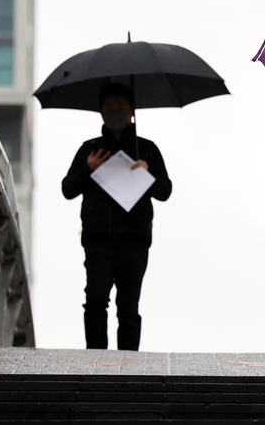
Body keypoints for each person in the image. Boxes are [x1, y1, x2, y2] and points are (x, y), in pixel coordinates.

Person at [62, 82, 172, 350]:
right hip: (98, 238)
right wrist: (89, 169)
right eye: (109, 108)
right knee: (96, 300)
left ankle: (129, 363)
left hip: (134, 238)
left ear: (132, 110)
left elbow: (165, 191)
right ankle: (96, 359)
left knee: (128, 305)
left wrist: (146, 173)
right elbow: (68, 189)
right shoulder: (90, 149)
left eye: (120, 107)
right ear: (100, 112)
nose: (115, 112)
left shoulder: (147, 149)